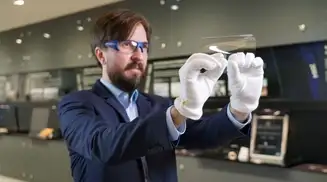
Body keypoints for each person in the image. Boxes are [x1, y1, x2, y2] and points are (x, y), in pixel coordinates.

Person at [58, 9, 264, 182]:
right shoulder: (76, 105)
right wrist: (178, 111)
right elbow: (103, 146)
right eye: (126, 45)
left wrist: (239, 109)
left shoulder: (157, 104)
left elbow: (204, 135)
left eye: (143, 47)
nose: (138, 55)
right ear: (101, 55)